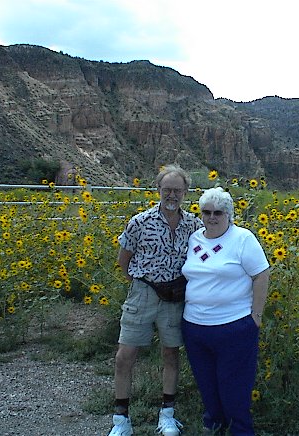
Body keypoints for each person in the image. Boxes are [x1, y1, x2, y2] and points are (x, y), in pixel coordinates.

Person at [108, 164, 202, 436]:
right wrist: (143, 283)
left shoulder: (194, 225)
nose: (172, 195)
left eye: (177, 190)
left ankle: (167, 414)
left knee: (171, 353)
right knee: (125, 355)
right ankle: (121, 419)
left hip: (175, 296)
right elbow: (123, 261)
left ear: (185, 192)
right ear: (158, 190)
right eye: (167, 189)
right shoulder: (140, 222)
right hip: (144, 292)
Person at [181, 187, 271, 436]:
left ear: (229, 214)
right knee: (206, 383)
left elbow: (261, 274)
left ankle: (241, 430)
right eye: (206, 212)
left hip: (234, 328)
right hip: (195, 327)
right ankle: (215, 423)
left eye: (218, 212)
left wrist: (256, 316)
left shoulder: (242, 239)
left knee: (234, 387)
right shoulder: (194, 239)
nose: (211, 217)